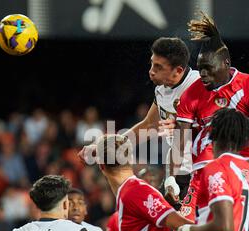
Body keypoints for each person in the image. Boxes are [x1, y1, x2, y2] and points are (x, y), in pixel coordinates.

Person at [173, 12, 249, 221]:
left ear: (225, 63)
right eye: (200, 69)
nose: (202, 74)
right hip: (203, 171)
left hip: (242, 173)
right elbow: (179, 144)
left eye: (208, 69)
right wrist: (172, 179)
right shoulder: (192, 94)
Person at [79, 37, 200, 209]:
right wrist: (101, 146)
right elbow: (149, 125)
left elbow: (221, 126)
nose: (151, 71)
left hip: (201, 173)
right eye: (152, 64)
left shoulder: (199, 86)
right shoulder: (161, 90)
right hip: (177, 173)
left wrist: (190, 127)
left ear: (178, 70)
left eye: (159, 67)